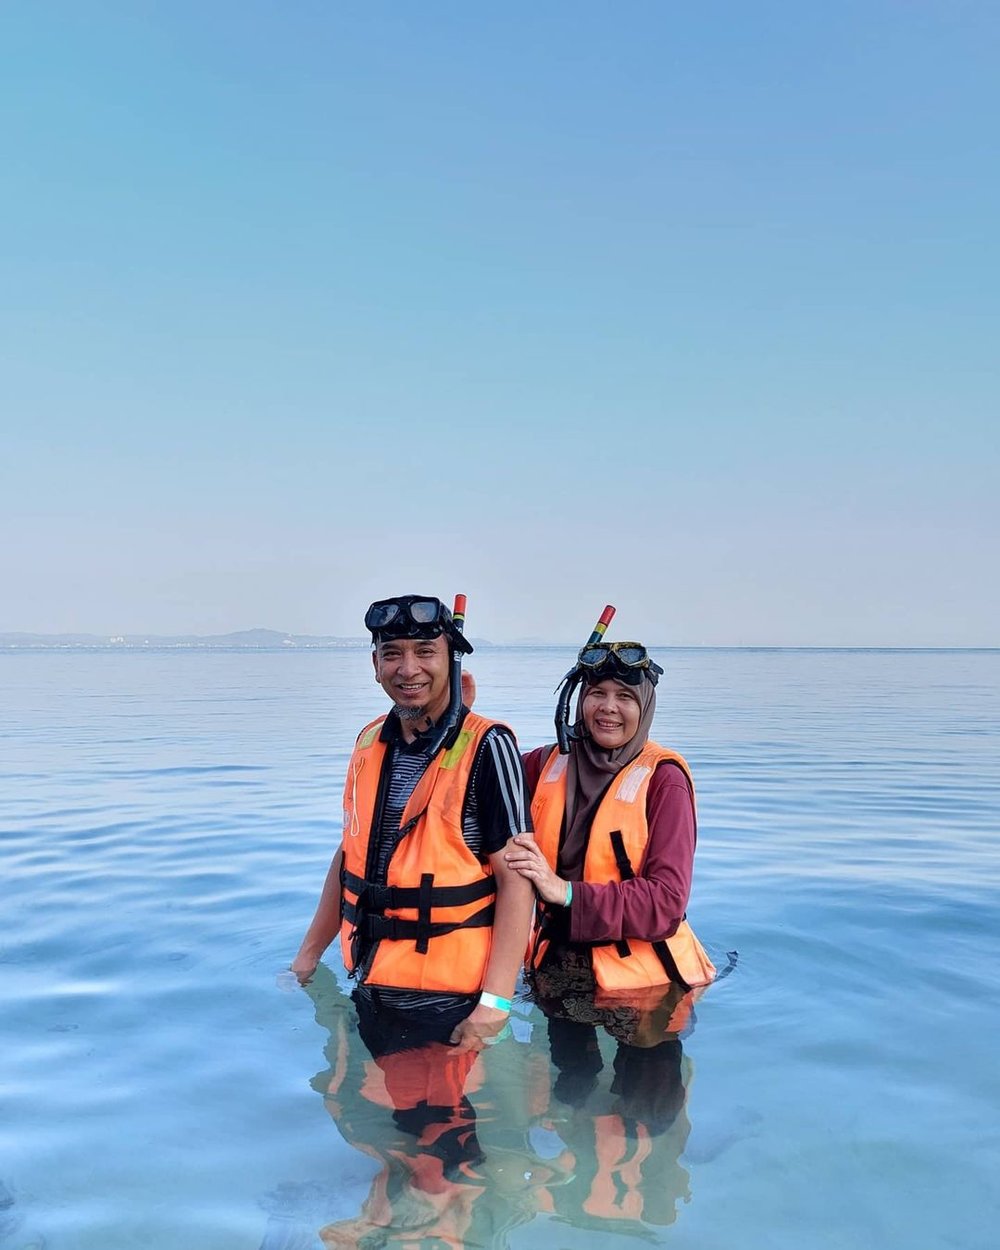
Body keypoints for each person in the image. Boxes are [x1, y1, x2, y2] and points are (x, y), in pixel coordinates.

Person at [291, 593, 535, 1056]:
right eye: (392, 654)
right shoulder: (369, 741)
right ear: (375, 665)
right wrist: (308, 955)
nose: (408, 669)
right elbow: (349, 854)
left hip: (449, 997)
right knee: (352, 1099)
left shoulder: (489, 746)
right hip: (370, 976)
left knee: (418, 1107)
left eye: (425, 652)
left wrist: (495, 1003)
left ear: (451, 660)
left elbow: (517, 879)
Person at [504, 636, 715, 1031]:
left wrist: (565, 892)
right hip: (558, 969)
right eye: (597, 693)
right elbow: (481, 778)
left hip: (648, 986)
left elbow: (667, 902)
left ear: (645, 706)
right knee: (566, 1072)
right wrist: (459, 715)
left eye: (625, 697)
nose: (608, 707)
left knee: (646, 1073)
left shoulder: (664, 781)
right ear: (579, 700)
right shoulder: (544, 763)